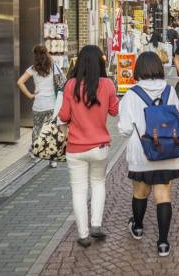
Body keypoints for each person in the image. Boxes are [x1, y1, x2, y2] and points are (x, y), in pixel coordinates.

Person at [118, 51, 179, 258]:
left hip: (142, 152)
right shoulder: (170, 91)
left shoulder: (131, 94)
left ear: (139, 69)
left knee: (140, 193)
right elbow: (177, 118)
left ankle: (137, 227)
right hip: (167, 150)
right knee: (163, 196)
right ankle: (163, 243)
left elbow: (125, 129)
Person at [58, 45, 120, 247]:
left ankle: (83, 234)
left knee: (78, 190)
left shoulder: (70, 85)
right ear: (100, 62)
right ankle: (96, 225)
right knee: (98, 184)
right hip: (100, 146)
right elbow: (113, 111)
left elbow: (64, 116)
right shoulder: (108, 84)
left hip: (75, 147)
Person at [17, 44, 64, 167]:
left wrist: (30, 95)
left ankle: (34, 151)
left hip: (38, 104)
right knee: (51, 131)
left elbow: (20, 82)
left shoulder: (33, 69)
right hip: (52, 105)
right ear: (47, 53)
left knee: (37, 128)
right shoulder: (53, 66)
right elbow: (62, 80)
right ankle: (52, 159)